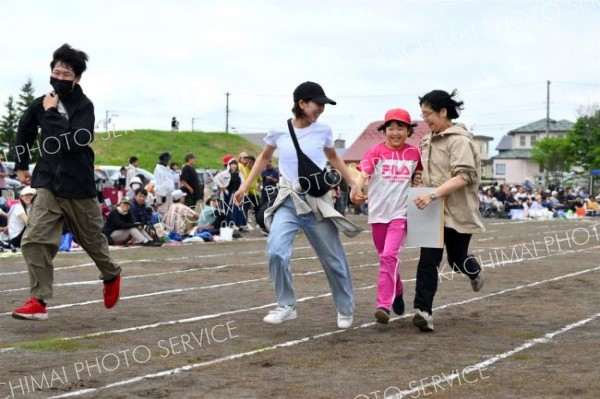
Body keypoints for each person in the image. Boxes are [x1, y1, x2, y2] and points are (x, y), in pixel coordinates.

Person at [233, 81, 362, 329]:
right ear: (301, 103)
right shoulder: (278, 131)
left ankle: (345, 309)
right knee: (276, 251)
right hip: (288, 200)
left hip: (316, 202)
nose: (321, 109)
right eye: (318, 104)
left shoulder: (323, 130)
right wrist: (244, 186)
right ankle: (286, 305)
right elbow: (264, 157)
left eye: (324, 105)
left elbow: (333, 156)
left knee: (333, 258)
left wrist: (353, 182)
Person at [12, 43, 121, 320]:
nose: (59, 77)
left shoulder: (84, 106)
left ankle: (111, 274)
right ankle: (38, 301)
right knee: (34, 240)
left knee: (92, 241)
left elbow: (75, 141)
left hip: (78, 186)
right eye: (56, 72)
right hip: (48, 184)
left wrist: (51, 114)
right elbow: (24, 129)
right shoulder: (41, 102)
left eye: (66, 73)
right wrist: (22, 165)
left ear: (77, 78)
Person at [411, 89, 485, 332]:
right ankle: (423, 311)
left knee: (456, 260)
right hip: (432, 210)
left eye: (428, 114)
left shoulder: (460, 141)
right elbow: (423, 171)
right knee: (428, 261)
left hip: (457, 210)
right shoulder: (426, 140)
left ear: (443, 112)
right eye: (422, 115)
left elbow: (464, 175)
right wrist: (419, 183)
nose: (425, 120)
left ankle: (473, 270)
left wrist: (433, 193)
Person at [352, 108, 422, 325]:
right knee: (386, 257)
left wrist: (419, 181)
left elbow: (419, 174)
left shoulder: (414, 154)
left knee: (388, 256)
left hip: (400, 215)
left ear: (408, 131)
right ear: (385, 130)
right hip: (377, 215)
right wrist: (357, 189)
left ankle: (383, 305)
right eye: (391, 128)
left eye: (400, 128)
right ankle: (398, 290)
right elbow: (363, 173)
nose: (395, 132)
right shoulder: (375, 151)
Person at [214, 159, 248, 231]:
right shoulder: (225, 173)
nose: (234, 166)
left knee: (238, 209)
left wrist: (241, 192)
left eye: (235, 164)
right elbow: (216, 178)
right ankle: (230, 223)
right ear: (229, 165)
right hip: (228, 193)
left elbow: (243, 183)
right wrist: (222, 186)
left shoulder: (239, 174)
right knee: (229, 209)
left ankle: (239, 224)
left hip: (237, 193)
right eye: (232, 164)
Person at [154, 152, 175, 216]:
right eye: (169, 159)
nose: (169, 161)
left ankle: (168, 226)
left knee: (169, 213)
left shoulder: (167, 168)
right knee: (163, 213)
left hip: (168, 194)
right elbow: (159, 183)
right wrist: (162, 195)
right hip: (162, 195)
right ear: (165, 159)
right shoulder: (158, 169)